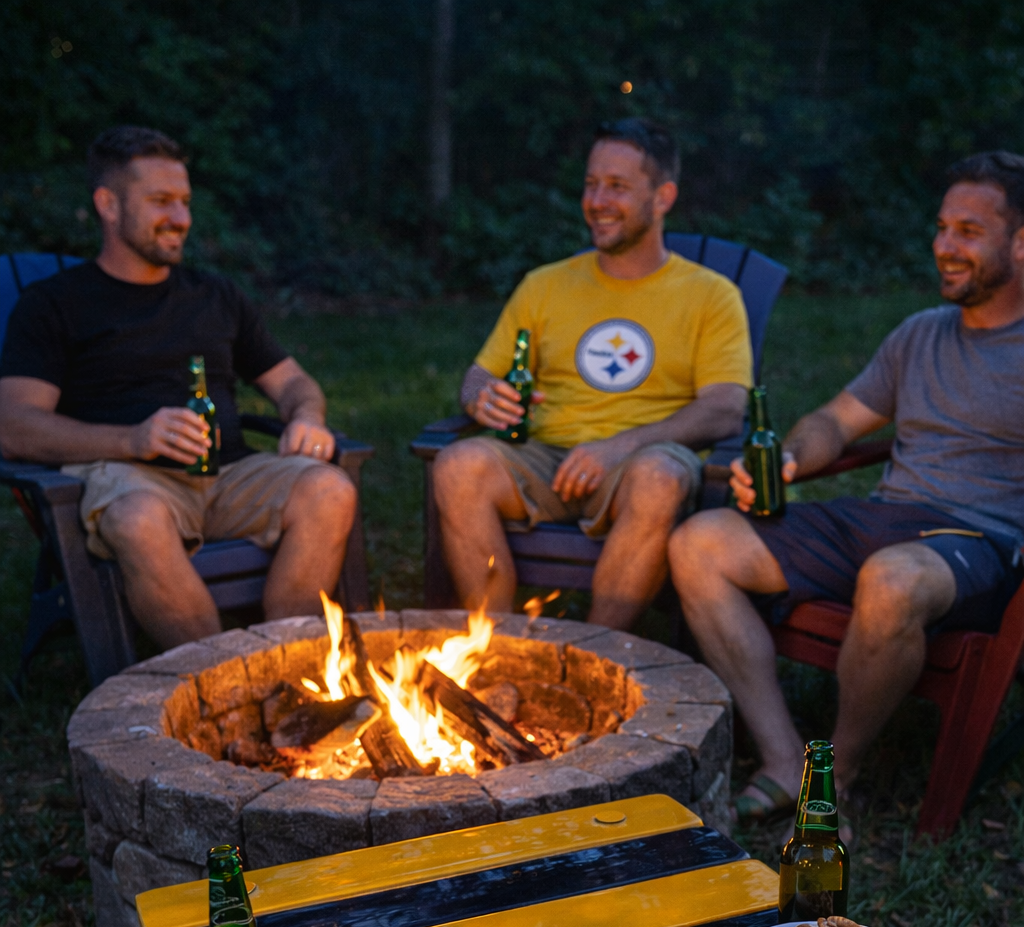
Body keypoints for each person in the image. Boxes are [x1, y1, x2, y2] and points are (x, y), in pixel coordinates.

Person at [668, 150, 1024, 838]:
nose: (944, 247)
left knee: (890, 579)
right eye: (942, 228)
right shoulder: (920, 333)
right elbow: (837, 419)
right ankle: (781, 759)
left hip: (977, 542)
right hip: (877, 519)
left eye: (968, 232)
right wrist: (797, 454)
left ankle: (841, 776)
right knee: (699, 542)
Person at [0, 126, 356, 651]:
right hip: (131, 480)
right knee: (137, 518)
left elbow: (294, 382)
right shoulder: (54, 304)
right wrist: (132, 440)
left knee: (329, 488)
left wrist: (306, 416)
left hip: (231, 474)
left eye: (186, 202)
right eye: (161, 201)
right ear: (109, 205)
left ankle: (287, 662)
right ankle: (214, 681)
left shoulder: (215, 295)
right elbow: (14, 426)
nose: (182, 218)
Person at [434, 118, 753, 630]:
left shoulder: (711, 296)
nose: (597, 200)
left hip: (641, 463)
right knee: (457, 465)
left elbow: (724, 408)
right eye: (591, 183)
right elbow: (477, 376)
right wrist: (481, 397)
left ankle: (595, 653)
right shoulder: (545, 285)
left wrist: (619, 448)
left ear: (663, 196)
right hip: (545, 460)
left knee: (659, 476)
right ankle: (494, 647)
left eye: (618, 187)